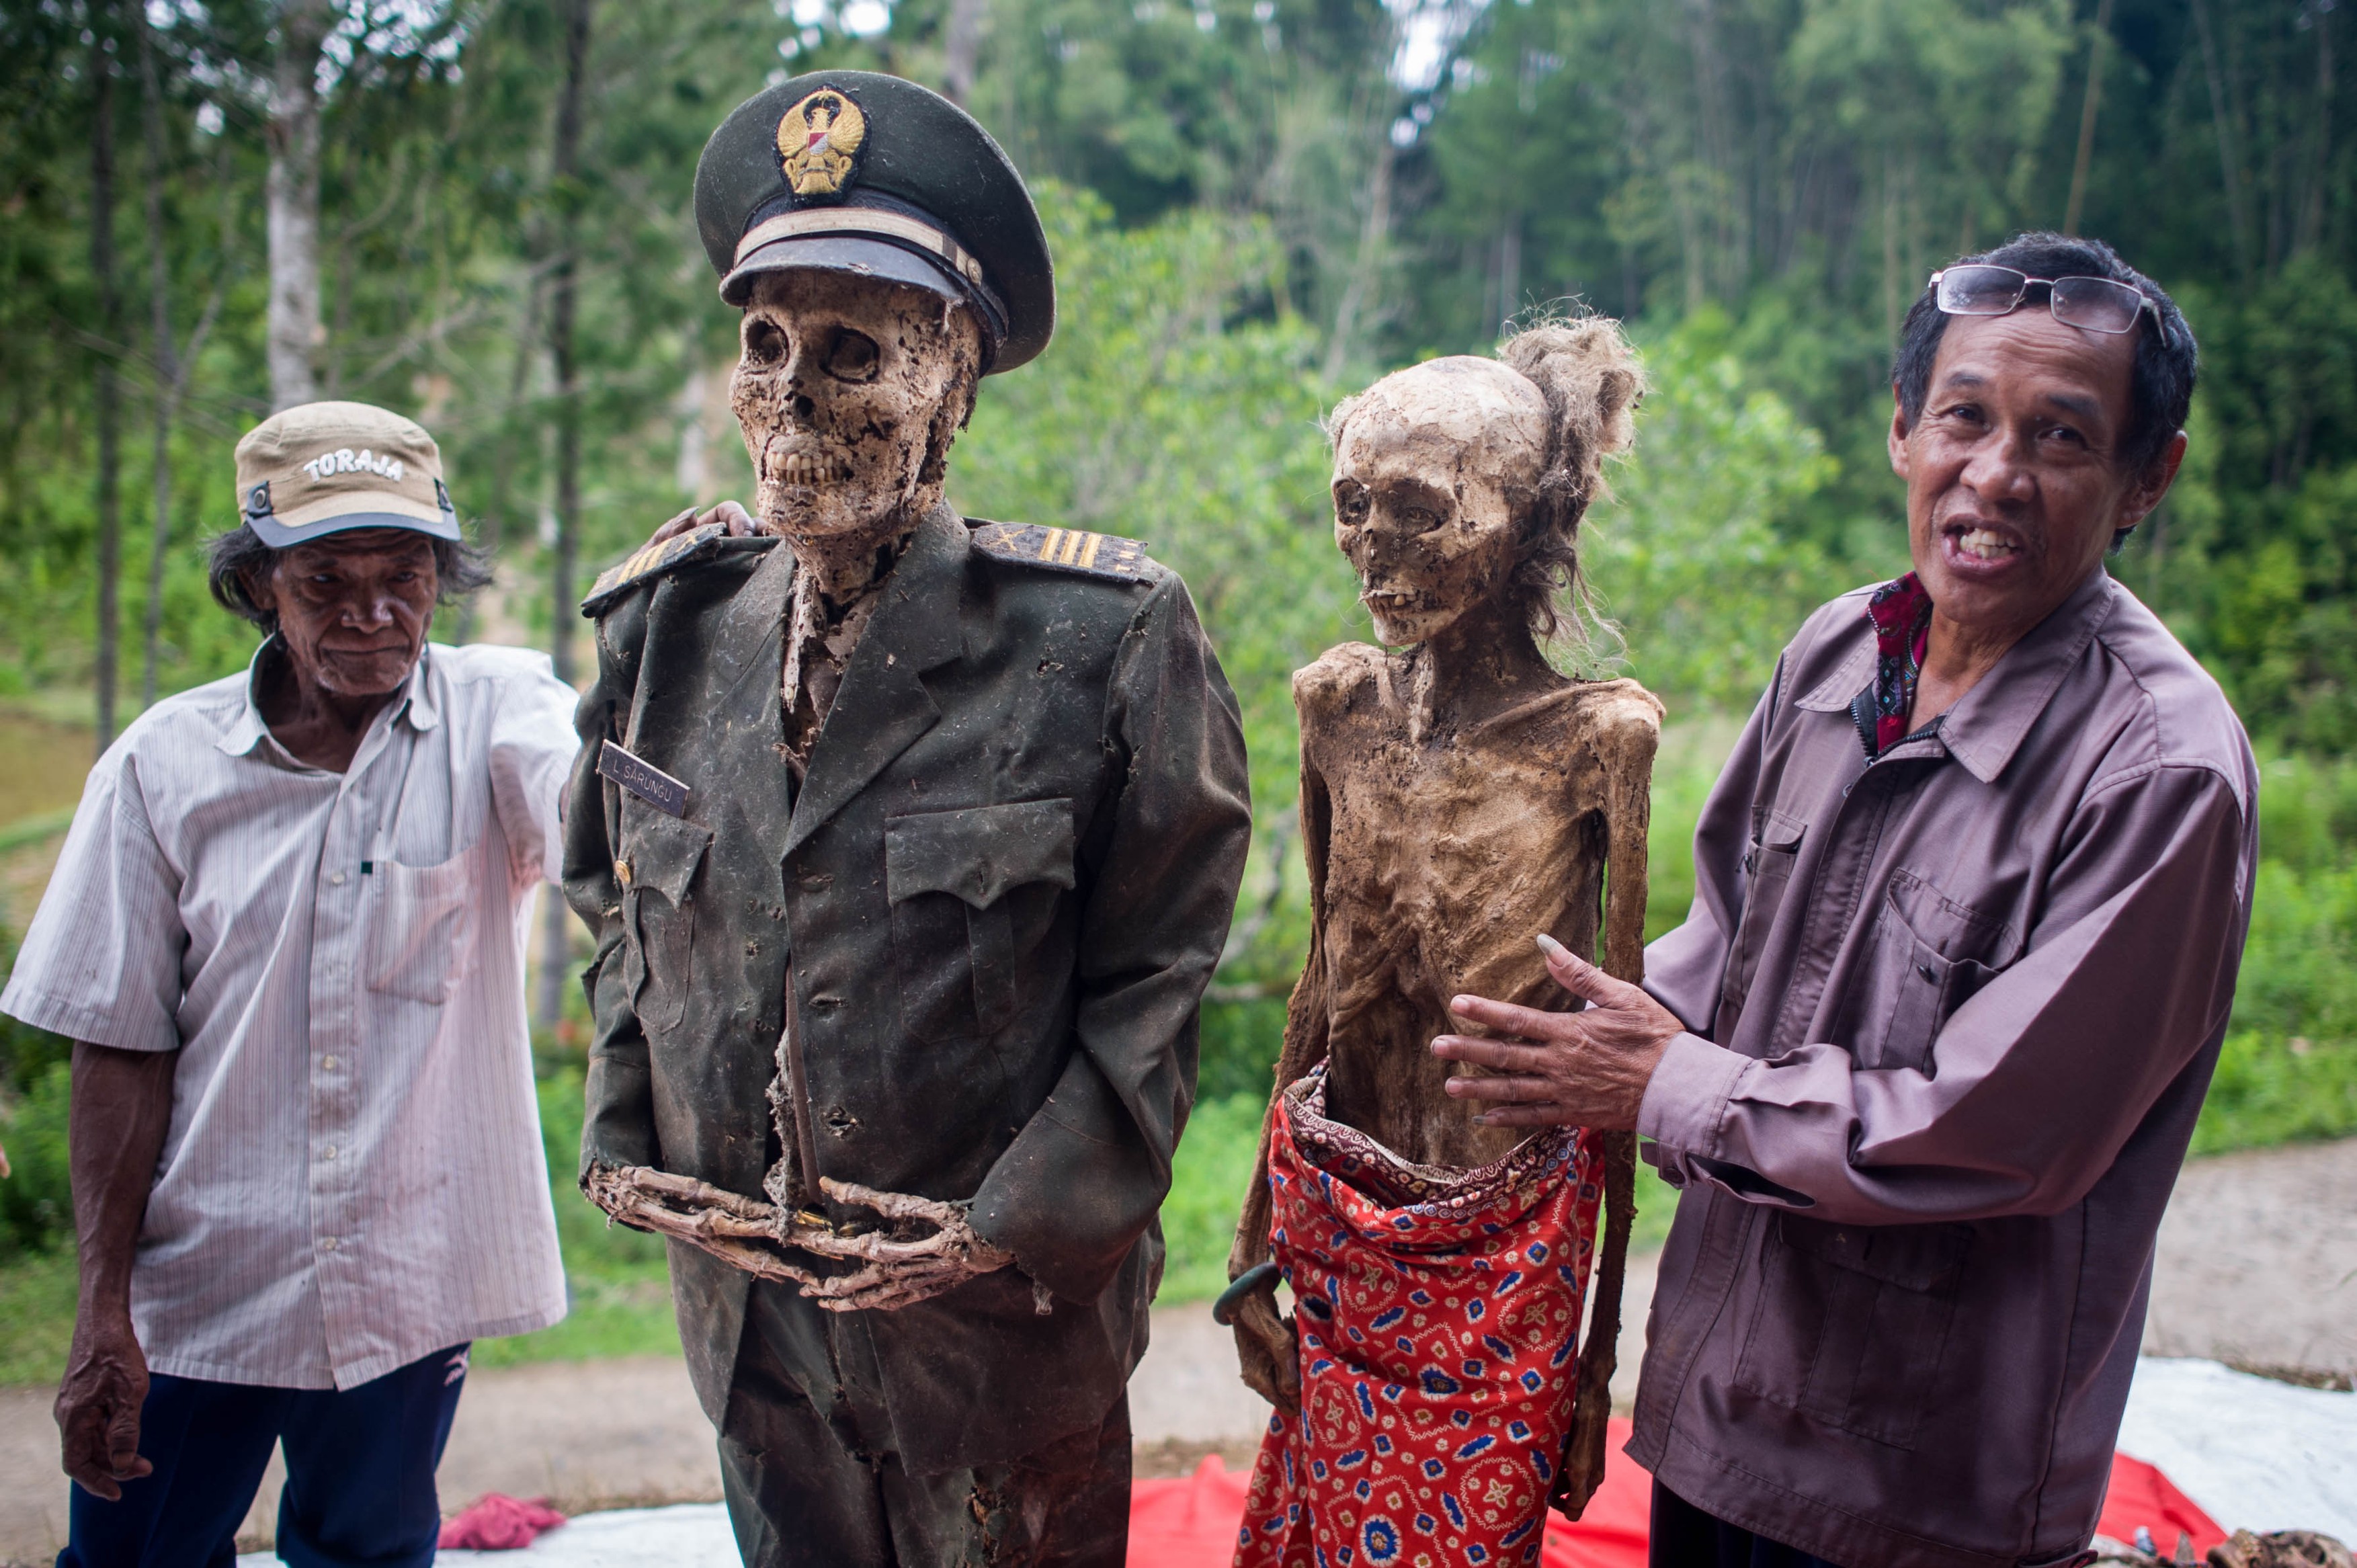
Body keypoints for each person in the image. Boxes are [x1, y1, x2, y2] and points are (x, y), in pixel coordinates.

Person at [1430, 233, 2254, 1568]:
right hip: (1716, 1407)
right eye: (1963, 417)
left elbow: (1993, 1133)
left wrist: (1662, 1084)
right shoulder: (1840, 652)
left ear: (2141, 479)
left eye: (2057, 437)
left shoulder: (2156, 769)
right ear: (1898, 430)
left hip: (1917, 1487)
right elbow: (1720, 942)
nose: (1993, 474)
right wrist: (1564, 1030)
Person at [562, 71, 1253, 1568]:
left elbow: (1158, 977)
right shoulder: (664, 629)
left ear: (953, 380)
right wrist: (632, 1123)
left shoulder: (1098, 638)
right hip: (748, 1328)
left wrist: (1013, 1225)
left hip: (997, 1342)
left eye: (853, 353)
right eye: (763, 346)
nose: (792, 399)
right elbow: (612, 897)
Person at [1, 402, 578, 1568]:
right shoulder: (164, 767)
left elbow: (588, 811)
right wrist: (100, 1307)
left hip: (406, 1287)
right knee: (131, 1559)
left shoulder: (498, 711)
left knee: (366, 1554)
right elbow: (118, 1043)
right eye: (328, 582)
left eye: (405, 577)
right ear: (262, 586)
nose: (375, 613)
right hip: (200, 1289)